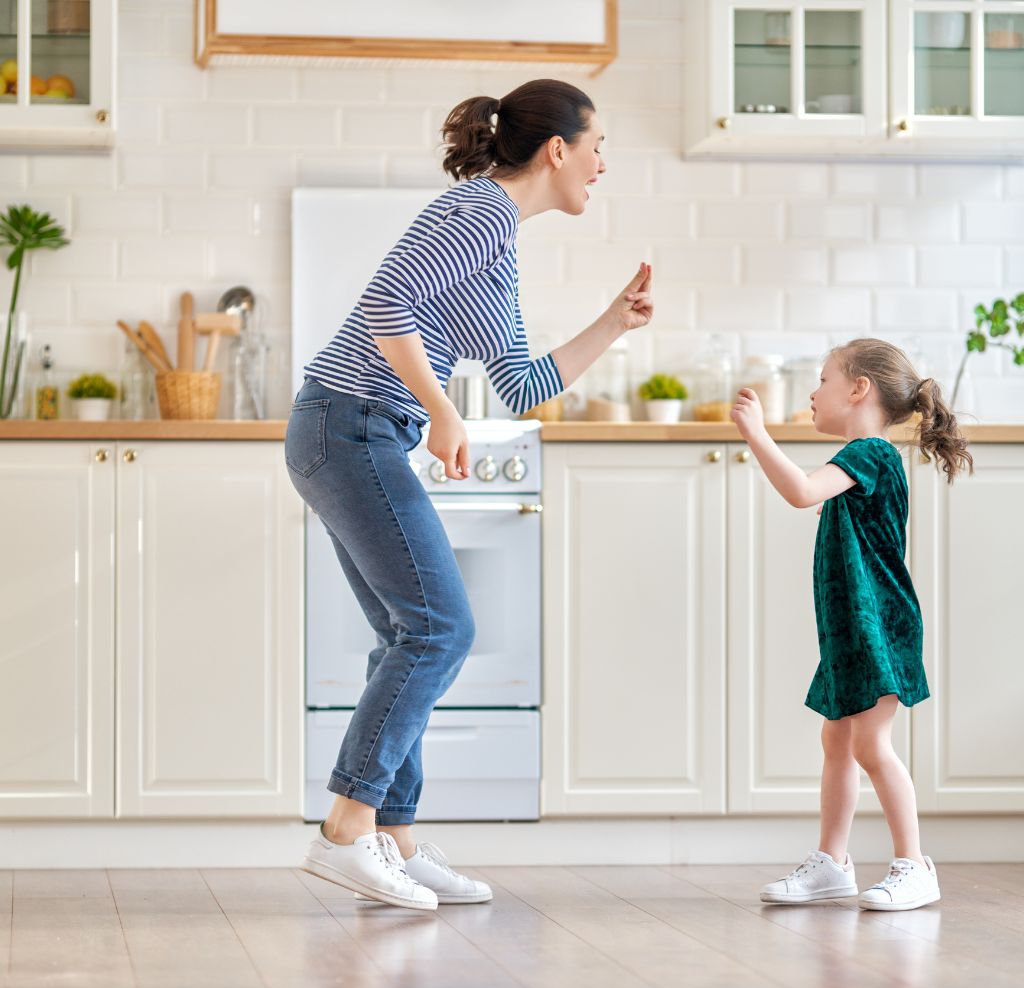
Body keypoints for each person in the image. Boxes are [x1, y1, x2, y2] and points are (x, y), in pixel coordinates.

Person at [285, 79, 653, 910]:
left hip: (350, 430)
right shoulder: (482, 212)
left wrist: (612, 322)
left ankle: (395, 840)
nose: (602, 165)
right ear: (557, 150)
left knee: (405, 634)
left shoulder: (497, 236)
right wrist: (444, 407)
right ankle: (346, 831)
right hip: (351, 425)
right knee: (441, 627)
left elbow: (521, 385)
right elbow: (386, 304)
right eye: (598, 147)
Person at [731, 338, 972, 911]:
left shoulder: (871, 453)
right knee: (837, 740)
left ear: (859, 388)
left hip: (877, 628)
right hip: (848, 629)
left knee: (869, 744)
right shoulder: (862, 465)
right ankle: (832, 863)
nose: (813, 393)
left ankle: (914, 864)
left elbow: (800, 491)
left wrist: (757, 434)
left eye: (822, 380)